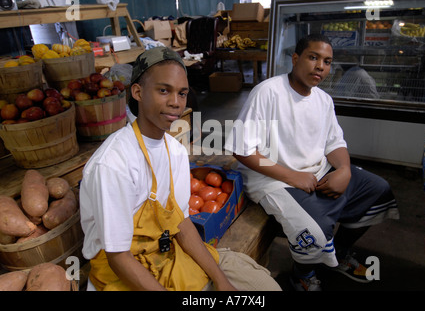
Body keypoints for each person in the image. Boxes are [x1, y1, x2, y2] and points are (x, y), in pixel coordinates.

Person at [79, 46, 281, 291]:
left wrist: (222, 281)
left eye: (182, 93)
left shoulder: (173, 151)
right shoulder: (114, 164)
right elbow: (119, 257)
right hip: (124, 272)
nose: (175, 103)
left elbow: (182, 224)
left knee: (263, 287)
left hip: (167, 253)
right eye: (164, 91)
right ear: (138, 92)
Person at [224, 34, 399, 291]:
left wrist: (345, 170)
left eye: (327, 62)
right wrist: (292, 176)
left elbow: (334, 142)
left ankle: (339, 253)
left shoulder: (323, 100)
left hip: (317, 171)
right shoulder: (268, 92)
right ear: (296, 59)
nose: (320, 66)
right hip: (273, 180)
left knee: (378, 191)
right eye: (313, 57)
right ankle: (302, 274)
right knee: (313, 233)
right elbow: (242, 150)